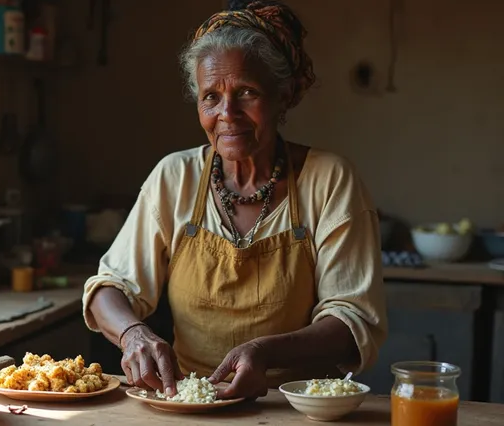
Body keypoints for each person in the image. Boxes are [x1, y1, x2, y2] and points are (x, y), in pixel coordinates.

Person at [82, 0, 387, 400]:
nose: (228, 113)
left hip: (299, 406)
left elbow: (353, 320)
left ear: (285, 95)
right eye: (211, 96)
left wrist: (265, 351)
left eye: (246, 92)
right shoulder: (175, 178)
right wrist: (133, 333)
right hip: (193, 402)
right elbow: (110, 287)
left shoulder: (329, 181)